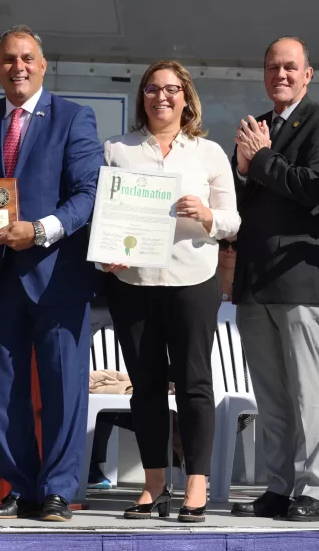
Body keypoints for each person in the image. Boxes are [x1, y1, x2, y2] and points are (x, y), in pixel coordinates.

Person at [0, 25, 102, 521]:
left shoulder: (74, 118)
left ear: (43, 65)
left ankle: (59, 490)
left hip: (58, 273)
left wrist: (39, 231)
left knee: (64, 388)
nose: (17, 67)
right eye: (7, 59)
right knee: (5, 389)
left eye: (27, 58)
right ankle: (21, 489)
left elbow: (87, 194)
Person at [100, 60, 240, 522]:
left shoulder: (209, 153)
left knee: (196, 385)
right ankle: (155, 486)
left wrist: (205, 215)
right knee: (147, 388)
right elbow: (105, 216)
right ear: (142, 97)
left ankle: (195, 487)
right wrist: (106, 252)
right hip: (132, 283)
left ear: (186, 97)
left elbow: (233, 221)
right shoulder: (118, 148)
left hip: (192, 281)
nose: (162, 97)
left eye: (172, 89)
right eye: (153, 89)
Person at [229, 37, 319, 522]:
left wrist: (258, 161)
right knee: (271, 393)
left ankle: (314, 490)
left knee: (306, 389)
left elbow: (314, 188)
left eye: (290, 67)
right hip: (255, 280)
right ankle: (279, 486)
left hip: (299, 278)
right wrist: (241, 171)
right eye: (273, 67)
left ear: (308, 74)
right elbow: (246, 205)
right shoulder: (257, 126)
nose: (281, 75)